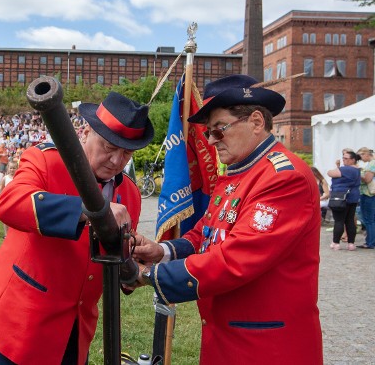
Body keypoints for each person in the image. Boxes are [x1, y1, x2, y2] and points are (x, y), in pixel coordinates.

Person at [127, 75, 323, 364]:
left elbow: (236, 257)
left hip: (265, 347)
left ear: (256, 122)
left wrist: (147, 276)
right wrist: (163, 251)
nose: (210, 141)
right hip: (228, 336)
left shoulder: (284, 177)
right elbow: (208, 232)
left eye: (219, 130)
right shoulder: (239, 170)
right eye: (208, 132)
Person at [0, 91, 153, 364]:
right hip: (21, 322)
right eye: (109, 147)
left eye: (127, 152)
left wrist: (134, 265)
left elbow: (115, 258)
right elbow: (10, 204)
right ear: (85, 132)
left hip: (76, 331)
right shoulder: (45, 160)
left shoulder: (130, 193)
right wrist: (92, 211)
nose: (117, 161)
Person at [328, 150, 362, 250]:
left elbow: (330, 173)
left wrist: (337, 168)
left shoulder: (346, 169)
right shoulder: (357, 170)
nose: (344, 160)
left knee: (339, 221)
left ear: (353, 160)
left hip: (341, 197)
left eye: (346, 158)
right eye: (343, 158)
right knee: (350, 220)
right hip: (353, 197)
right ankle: (351, 244)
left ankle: (336, 243)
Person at [356, 147, 375, 248]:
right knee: (371, 219)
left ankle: (370, 242)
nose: (360, 158)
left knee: (368, 219)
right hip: (369, 194)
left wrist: (358, 172)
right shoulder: (370, 163)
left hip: (368, 194)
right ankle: (370, 241)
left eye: (361, 155)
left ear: (366, 154)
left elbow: (367, 179)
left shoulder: (372, 163)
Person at [0, 159, 18, 239]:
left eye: (14, 168)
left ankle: (13, 233)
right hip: (7, 200)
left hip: (15, 200)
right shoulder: (5, 178)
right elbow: (2, 190)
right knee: (6, 217)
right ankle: (6, 234)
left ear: (17, 169)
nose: (12, 170)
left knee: (14, 217)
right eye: (11, 168)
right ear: (8, 168)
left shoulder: (18, 178)